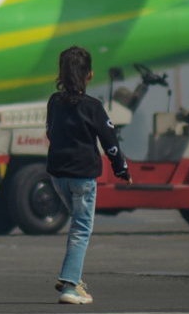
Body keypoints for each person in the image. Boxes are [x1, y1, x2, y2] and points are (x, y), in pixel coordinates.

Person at [45, 46, 131, 305]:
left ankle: (73, 276)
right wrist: (122, 169)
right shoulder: (93, 107)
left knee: (76, 225)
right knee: (82, 229)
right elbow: (110, 141)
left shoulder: (53, 102)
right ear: (89, 75)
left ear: (61, 74)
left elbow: (50, 132)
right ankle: (70, 286)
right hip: (82, 177)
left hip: (57, 175)